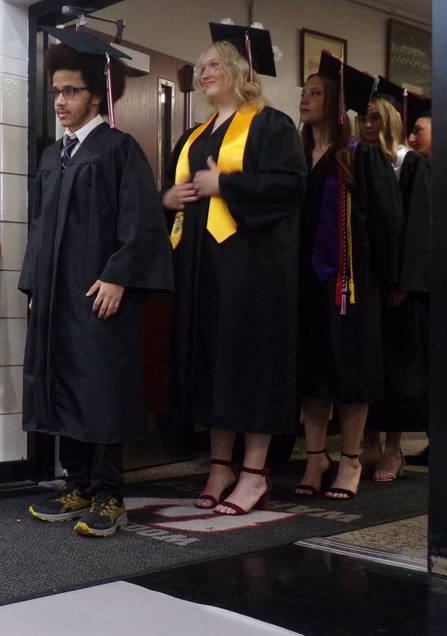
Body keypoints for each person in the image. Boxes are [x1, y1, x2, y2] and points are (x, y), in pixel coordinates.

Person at [20, 27, 173, 537]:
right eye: (55, 92)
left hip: (100, 295)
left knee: (102, 390)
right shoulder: (51, 157)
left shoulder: (117, 150)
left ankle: (111, 497)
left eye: (70, 91)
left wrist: (117, 275)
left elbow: (141, 222)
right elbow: (40, 229)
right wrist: (35, 286)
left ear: (96, 93)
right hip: (59, 296)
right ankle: (78, 486)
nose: (60, 101)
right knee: (64, 384)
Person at [163, 24, 306, 516]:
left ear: (240, 71)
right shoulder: (192, 136)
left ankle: (254, 473)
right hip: (201, 268)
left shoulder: (272, 126)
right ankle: (219, 465)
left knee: (249, 365)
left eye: (214, 64)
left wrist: (228, 183)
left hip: (252, 271)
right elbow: (177, 197)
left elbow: (289, 187)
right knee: (211, 364)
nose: (204, 71)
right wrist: (167, 199)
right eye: (200, 66)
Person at [295, 53, 401, 500]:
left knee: (351, 371)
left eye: (315, 92)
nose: (305, 98)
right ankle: (316, 456)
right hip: (306, 284)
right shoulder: (297, 155)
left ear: (336, 102)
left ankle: (352, 459)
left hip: (350, 284)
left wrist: (393, 280)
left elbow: (387, 222)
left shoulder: (361, 157)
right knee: (312, 371)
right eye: (304, 91)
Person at [358, 84, 432, 481]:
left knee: (398, 370)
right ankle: (367, 444)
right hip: (364, 284)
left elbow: (419, 227)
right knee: (368, 365)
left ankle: (393, 448)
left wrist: (402, 281)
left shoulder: (410, 164)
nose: (368, 125)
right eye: (363, 117)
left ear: (389, 121)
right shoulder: (355, 158)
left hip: (398, 288)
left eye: (375, 118)